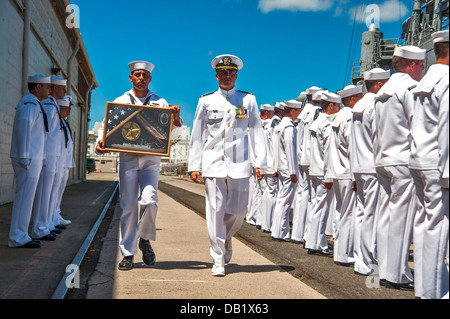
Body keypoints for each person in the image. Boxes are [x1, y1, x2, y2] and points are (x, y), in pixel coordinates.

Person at [96, 61, 182, 270]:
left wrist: (176, 118)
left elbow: (174, 136)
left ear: (150, 79)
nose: (141, 78)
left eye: (145, 75)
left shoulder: (160, 102)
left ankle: (144, 238)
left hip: (151, 160)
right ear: (131, 78)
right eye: (137, 75)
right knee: (128, 207)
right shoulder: (121, 100)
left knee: (149, 200)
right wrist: (101, 142)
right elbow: (109, 125)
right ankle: (128, 253)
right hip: (127, 159)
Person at [188, 54, 267, 276]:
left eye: (231, 72)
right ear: (216, 76)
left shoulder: (248, 100)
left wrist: (260, 162)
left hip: (240, 164)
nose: (227, 76)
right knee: (215, 211)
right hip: (213, 163)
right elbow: (197, 135)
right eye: (222, 73)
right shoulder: (206, 101)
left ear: (236, 76)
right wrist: (194, 165)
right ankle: (218, 258)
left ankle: (226, 236)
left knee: (239, 211)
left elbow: (257, 131)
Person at [374, 45, 425, 291]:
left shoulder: (383, 90)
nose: (422, 71)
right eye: (422, 66)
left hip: (383, 159)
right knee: (402, 220)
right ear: (413, 65)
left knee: (385, 216)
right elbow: (419, 127)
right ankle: (397, 274)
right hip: (403, 161)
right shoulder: (409, 88)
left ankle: (385, 268)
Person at [409, 29, 449, 299]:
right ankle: (434, 292)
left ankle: (424, 288)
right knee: (437, 227)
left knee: (423, 226)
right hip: (438, 164)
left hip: (420, 162)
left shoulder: (426, 80)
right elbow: (447, 126)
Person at [350, 68, 390, 276]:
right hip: (372, 167)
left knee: (361, 213)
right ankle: (369, 262)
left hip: (358, 167)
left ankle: (360, 260)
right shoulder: (375, 104)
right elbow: (379, 138)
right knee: (372, 215)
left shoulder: (358, 105)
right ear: (380, 85)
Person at [9, 75, 51, 248]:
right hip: (28, 159)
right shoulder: (30, 104)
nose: (49, 90)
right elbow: (24, 128)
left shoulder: (35, 104)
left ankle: (22, 234)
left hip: (33, 159)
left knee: (27, 199)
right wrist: (24, 155)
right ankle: (18, 237)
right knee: (24, 199)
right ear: (38, 87)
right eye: (47, 87)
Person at [326, 85, 362, 266]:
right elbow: (353, 148)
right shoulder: (349, 117)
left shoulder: (337, 117)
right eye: (360, 96)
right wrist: (356, 176)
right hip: (347, 172)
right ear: (353, 99)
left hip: (337, 172)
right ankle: (345, 254)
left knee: (341, 212)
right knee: (348, 214)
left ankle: (339, 251)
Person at [305, 92, 340, 256]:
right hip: (323, 172)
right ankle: (318, 244)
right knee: (321, 209)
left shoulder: (317, 122)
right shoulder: (326, 124)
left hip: (315, 170)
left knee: (315, 207)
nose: (339, 109)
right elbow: (328, 152)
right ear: (331, 106)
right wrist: (328, 176)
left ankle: (313, 241)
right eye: (337, 105)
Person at [33, 76, 67, 241]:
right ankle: (40, 228)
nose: (65, 92)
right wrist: (44, 155)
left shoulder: (52, 105)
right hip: (48, 155)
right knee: (44, 193)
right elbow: (44, 132)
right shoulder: (48, 105)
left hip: (54, 155)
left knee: (49, 193)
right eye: (62, 88)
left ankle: (45, 225)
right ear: (54, 89)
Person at [292, 87, 322, 244]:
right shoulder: (316, 112)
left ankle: (298, 232)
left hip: (302, 158)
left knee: (302, 195)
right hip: (312, 160)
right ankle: (309, 235)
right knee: (313, 199)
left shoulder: (303, 113)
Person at [271, 100, 302, 241]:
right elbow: (290, 150)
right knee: (285, 202)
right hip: (288, 168)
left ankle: (276, 231)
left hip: (281, 166)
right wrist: (293, 171)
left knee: (281, 200)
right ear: (293, 111)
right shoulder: (289, 127)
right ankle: (281, 232)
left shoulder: (279, 126)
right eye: (298, 110)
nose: (299, 113)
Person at [52, 96, 75, 228]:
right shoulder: (56, 121)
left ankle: (56, 214)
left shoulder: (64, 122)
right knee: (54, 191)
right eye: (66, 108)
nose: (69, 111)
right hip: (58, 161)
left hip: (65, 162)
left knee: (59, 191)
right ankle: (52, 218)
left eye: (69, 108)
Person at [260, 103, 283, 233]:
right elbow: (275, 147)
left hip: (265, 163)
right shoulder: (275, 124)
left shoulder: (265, 125)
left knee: (265, 193)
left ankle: (264, 222)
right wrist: (275, 167)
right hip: (272, 164)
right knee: (272, 194)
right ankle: (269, 224)